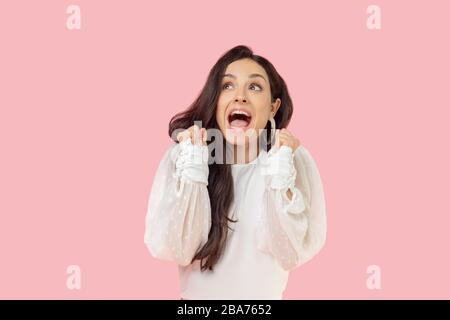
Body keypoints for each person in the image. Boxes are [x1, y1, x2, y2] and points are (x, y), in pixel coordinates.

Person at [144, 45, 327, 299]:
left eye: (254, 87)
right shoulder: (187, 159)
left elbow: (290, 254)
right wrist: (193, 164)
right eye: (227, 86)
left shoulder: (291, 160)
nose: (240, 96)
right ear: (216, 100)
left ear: (273, 108)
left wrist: (281, 168)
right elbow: (175, 249)